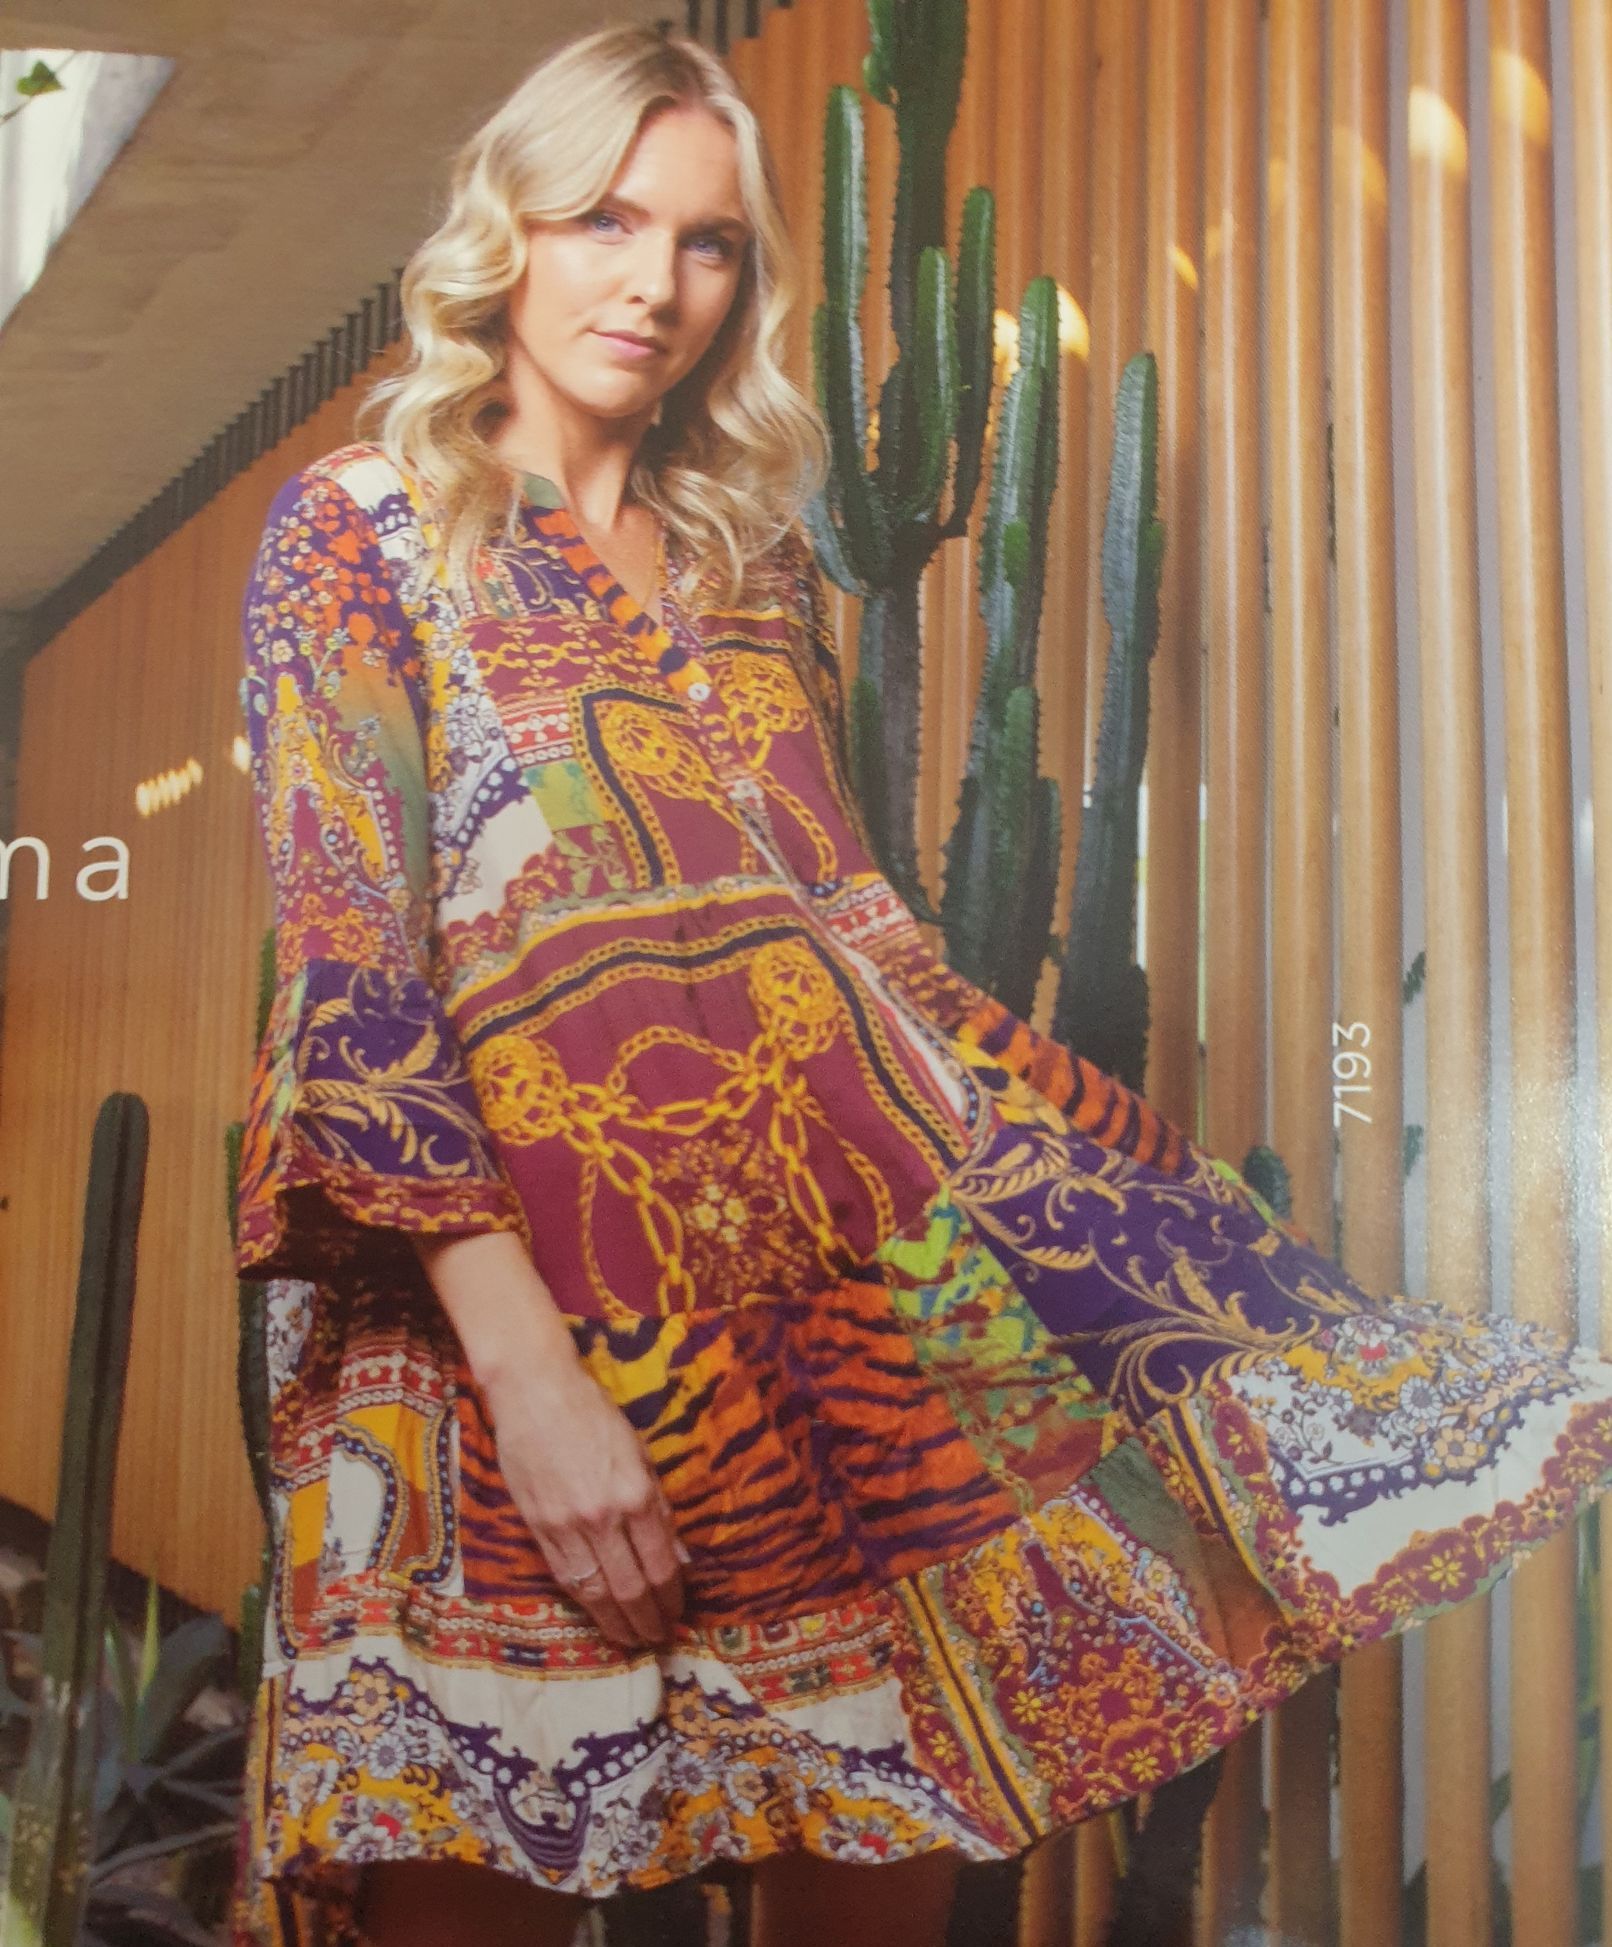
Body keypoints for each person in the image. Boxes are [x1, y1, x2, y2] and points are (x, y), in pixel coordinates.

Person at [228, 20, 1612, 1947]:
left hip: (846, 1320)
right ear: (507, 228)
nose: (655, 284)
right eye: (607, 219)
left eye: (708, 242)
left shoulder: (755, 568)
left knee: (901, 1833)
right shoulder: (362, 531)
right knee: (477, 1867)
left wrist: (1119, 1232)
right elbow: (353, 972)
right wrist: (532, 1380)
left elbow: (859, 956)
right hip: (493, 1334)